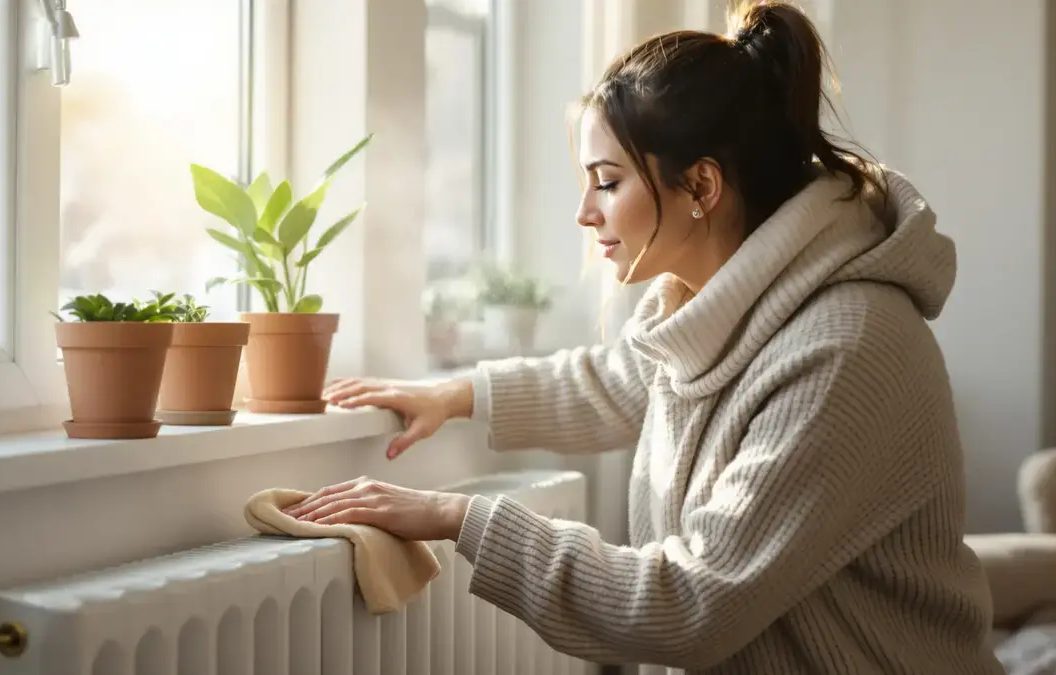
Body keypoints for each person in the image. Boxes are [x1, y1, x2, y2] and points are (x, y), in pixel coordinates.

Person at [283, 2, 1005, 673]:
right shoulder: (707, 307)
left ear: (701, 187)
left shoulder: (846, 347)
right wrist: (456, 393)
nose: (584, 212)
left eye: (606, 181)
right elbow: (614, 381)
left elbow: (695, 602)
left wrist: (458, 515)